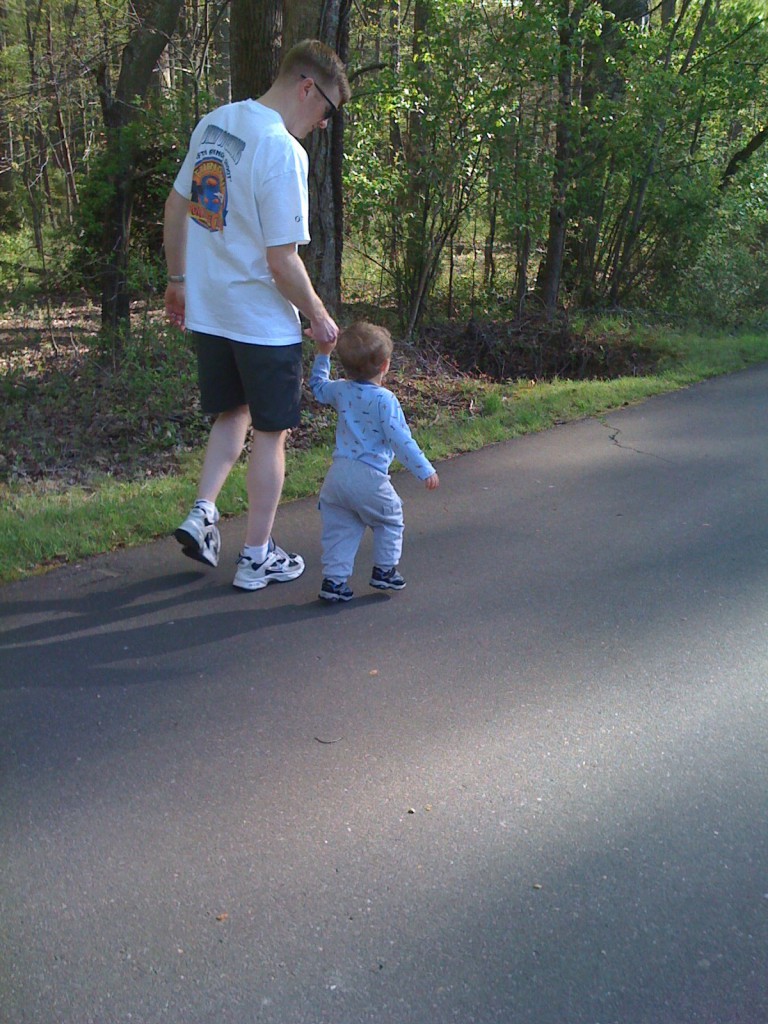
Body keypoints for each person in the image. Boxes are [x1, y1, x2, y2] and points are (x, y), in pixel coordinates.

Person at [163, 40, 351, 590]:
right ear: (307, 88)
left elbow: (178, 206)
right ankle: (257, 556)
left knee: (233, 414)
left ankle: (203, 512)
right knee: (272, 433)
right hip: (259, 320)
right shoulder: (280, 149)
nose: (323, 125)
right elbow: (282, 261)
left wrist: (178, 282)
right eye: (328, 112)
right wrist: (317, 315)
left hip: (212, 309)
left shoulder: (215, 124)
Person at [309, 321, 440, 602]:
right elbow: (400, 439)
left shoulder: (340, 390)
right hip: (368, 476)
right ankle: (384, 570)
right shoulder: (385, 400)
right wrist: (424, 469)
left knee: (341, 530)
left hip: (337, 476)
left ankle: (334, 582)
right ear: (385, 365)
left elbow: (318, 388)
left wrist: (323, 353)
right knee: (390, 518)